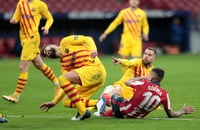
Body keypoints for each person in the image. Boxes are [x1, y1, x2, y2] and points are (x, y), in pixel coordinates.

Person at [2, 0, 59, 103]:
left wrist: (46, 27)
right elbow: (16, 17)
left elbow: (50, 18)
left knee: (22, 67)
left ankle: (16, 95)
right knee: (39, 64)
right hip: (23, 38)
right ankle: (57, 85)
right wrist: (14, 20)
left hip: (32, 39)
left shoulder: (40, 4)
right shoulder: (21, 3)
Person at [39, 35, 107, 121]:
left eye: (46, 49)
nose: (45, 52)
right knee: (66, 101)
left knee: (62, 79)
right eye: (45, 55)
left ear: (53, 45)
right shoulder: (64, 65)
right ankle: (100, 103)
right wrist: (54, 101)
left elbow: (88, 39)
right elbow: (65, 86)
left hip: (95, 69)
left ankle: (83, 112)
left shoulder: (65, 42)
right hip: (88, 80)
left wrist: (94, 49)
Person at [96, 68, 195, 118]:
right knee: (107, 114)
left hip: (122, 109)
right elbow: (171, 114)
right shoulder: (165, 94)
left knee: (112, 94)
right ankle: (101, 112)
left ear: (151, 77)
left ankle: (101, 102)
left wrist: (142, 77)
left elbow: (127, 82)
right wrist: (182, 111)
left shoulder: (143, 83)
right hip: (135, 116)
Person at [99, 0, 149, 73]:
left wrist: (145, 33)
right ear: (129, 1)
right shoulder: (124, 12)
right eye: (132, 0)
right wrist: (105, 33)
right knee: (123, 59)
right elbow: (115, 23)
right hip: (125, 40)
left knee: (136, 60)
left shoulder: (142, 13)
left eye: (136, 0)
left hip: (136, 40)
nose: (134, 2)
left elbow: (145, 25)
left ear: (138, 2)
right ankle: (125, 78)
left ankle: (134, 78)